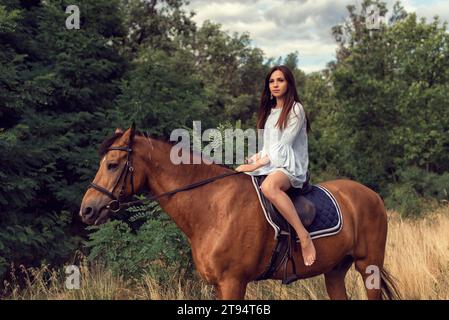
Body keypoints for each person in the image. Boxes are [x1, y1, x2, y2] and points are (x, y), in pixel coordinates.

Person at [235, 65, 316, 266]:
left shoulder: (296, 109)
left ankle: (303, 235)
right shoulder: (270, 113)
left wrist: (257, 166)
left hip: (290, 165)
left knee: (269, 187)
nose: (275, 85)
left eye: (280, 80)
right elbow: (269, 147)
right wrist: (254, 159)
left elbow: (284, 145)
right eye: (272, 81)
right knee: (237, 180)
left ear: (289, 83)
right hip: (272, 163)